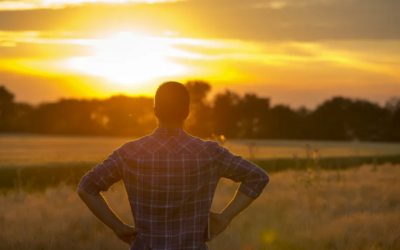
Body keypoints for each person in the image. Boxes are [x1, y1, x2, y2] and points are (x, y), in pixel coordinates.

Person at [77, 81, 269, 250]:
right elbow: (257, 177)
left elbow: (86, 188)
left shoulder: (129, 153)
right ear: (187, 112)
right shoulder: (210, 153)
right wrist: (226, 217)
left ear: (155, 111)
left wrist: (118, 227)